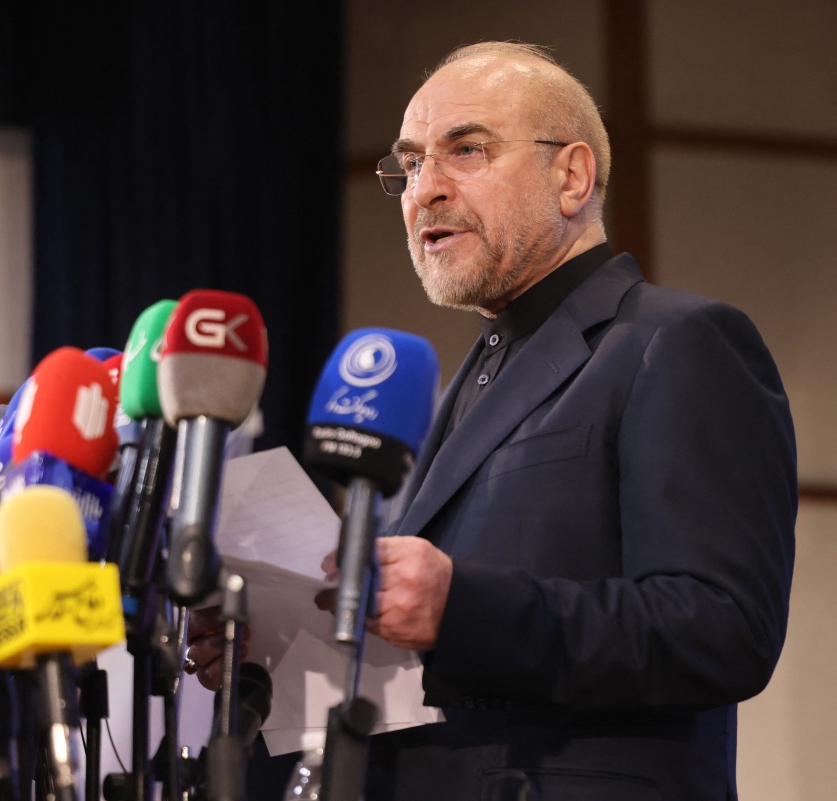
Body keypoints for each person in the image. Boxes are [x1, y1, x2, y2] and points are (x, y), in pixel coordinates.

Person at [189, 41, 796, 800]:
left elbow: (722, 628)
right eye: (409, 165)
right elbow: (417, 667)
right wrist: (272, 654)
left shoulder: (676, 342)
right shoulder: (453, 389)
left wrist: (460, 606)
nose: (425, 191)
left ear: (570, 176)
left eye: (465, 150)